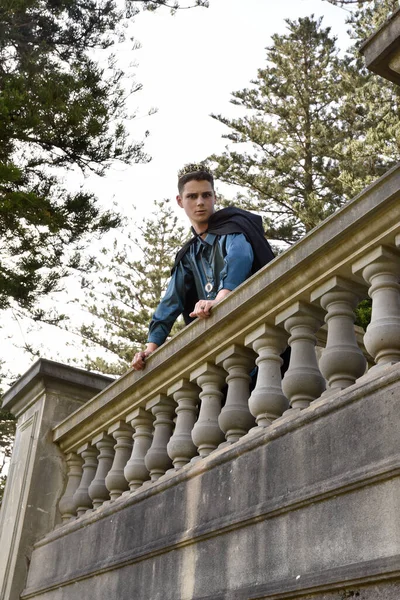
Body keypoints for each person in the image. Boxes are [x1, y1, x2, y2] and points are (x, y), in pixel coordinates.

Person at [131, 163, 275, 371]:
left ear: (214, 197)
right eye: (192, 197)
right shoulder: (189, 254)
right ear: (180, 201)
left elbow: (240, 258)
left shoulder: (235, 231)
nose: (200, 202)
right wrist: (151, 348)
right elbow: (171, 300)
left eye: (206, 195)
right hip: (221, 351)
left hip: (256, 335)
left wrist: (220, 298)